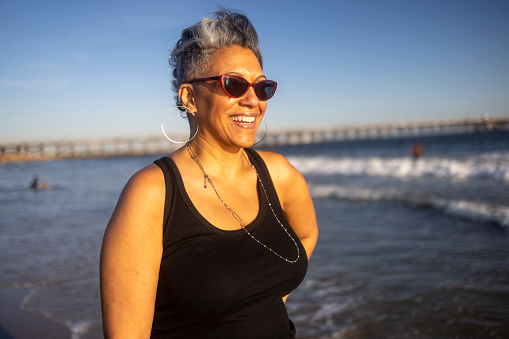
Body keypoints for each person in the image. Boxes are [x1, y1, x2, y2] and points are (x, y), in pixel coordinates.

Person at [100, 9, 318, 339]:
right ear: (189, 98)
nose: (252, 101)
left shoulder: (279, 174)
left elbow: (307, 235)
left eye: (262, 88)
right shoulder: (153, 193)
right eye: (234, 85)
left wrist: (263, 300)